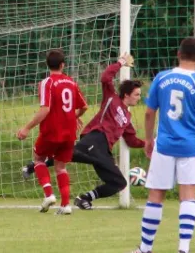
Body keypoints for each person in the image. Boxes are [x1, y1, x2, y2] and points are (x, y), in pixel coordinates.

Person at [123, 37, 195, 253]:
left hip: (164, 144)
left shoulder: (162, 78)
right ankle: (183, 249)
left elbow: (149, 113)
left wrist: (149, 139)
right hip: (190, 146)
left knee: (155, 195)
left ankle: (146, 249)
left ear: (178, 54)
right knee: (187, 196)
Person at [22, 53, 145, 209]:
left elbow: (132, 140)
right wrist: (120, 63)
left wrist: (150, 144)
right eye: (137, 94)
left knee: (119, 183)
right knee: (68, 155)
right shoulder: (111, 98)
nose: (139, 98)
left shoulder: (127, 117)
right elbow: (106, 77)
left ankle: (84, 198)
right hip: (95, 138)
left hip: (104, 150)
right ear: (127, 94)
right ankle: (34, 166)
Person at [16, 49, 88, 215]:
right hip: (69, 132)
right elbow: (84, 107)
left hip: (52, 131)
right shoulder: (71, 82)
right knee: (61, 167)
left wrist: (27, 127)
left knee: (38, 159)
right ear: (63, 65)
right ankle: (65, 205)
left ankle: (49, 195)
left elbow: (45, 109)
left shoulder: (46, 83)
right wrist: (73, 116)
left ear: (47, 64)